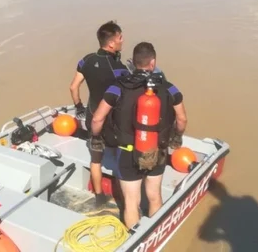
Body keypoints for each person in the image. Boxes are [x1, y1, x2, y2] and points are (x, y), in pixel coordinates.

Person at [90, 42, 187, 229]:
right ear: (153, 63)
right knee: (155, 196)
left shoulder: (117, 87)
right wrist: (177, 137)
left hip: (127, 151)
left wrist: (96, 137)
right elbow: (182, 119)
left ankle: (135, 240)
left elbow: (97, 119)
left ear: (133, 64)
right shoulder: (170, 88)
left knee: (131, 202)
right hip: (156, 150)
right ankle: (157, 234)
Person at [69, 21, 129, 207]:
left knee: (96, 160)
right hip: (111, 123)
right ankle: (122, 198)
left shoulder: (86, 60)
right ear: (111, 43)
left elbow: (73, 87)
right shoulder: (119, 68)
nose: (122, 40)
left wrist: (78, 107)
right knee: (121, 157)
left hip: (91, 117)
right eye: (120, 37)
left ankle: (99, 196)